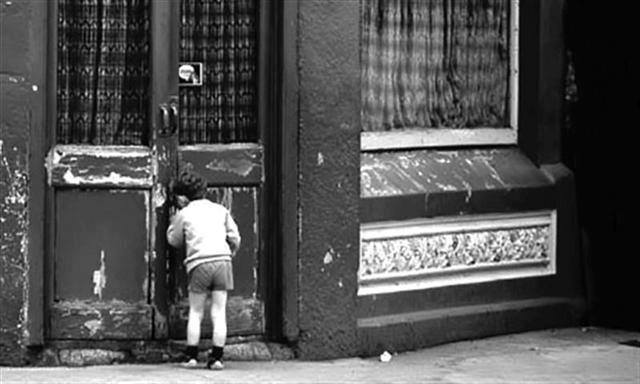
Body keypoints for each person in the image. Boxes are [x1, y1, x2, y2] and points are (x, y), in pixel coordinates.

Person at [167, 170, 240, 370]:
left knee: (196, 311)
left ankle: (191, 356)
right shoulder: (220, 209)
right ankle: (217, 357)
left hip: (199, 264)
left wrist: (173, 221)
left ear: (182, 197)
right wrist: (230, 251)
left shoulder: (184, 213)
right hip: (223, 262)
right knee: (218, 311)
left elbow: (174, 240)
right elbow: (235, 236)